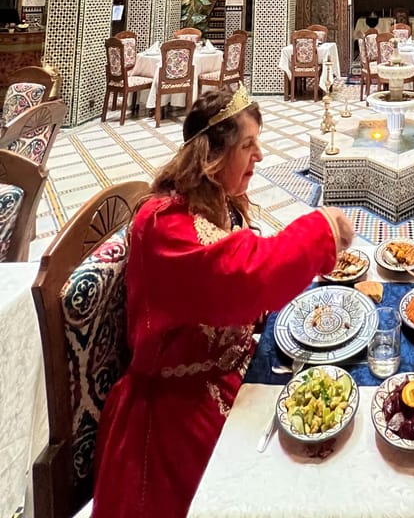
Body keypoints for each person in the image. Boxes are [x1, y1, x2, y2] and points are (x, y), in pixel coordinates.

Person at [92, 86, 354, 517]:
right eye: (248, 145)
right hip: (174, 414)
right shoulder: (164, 229)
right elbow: (245, 272)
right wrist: (320, 229)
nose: (261, 155)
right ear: (212, 155)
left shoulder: (216, 203)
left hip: (222, 369)